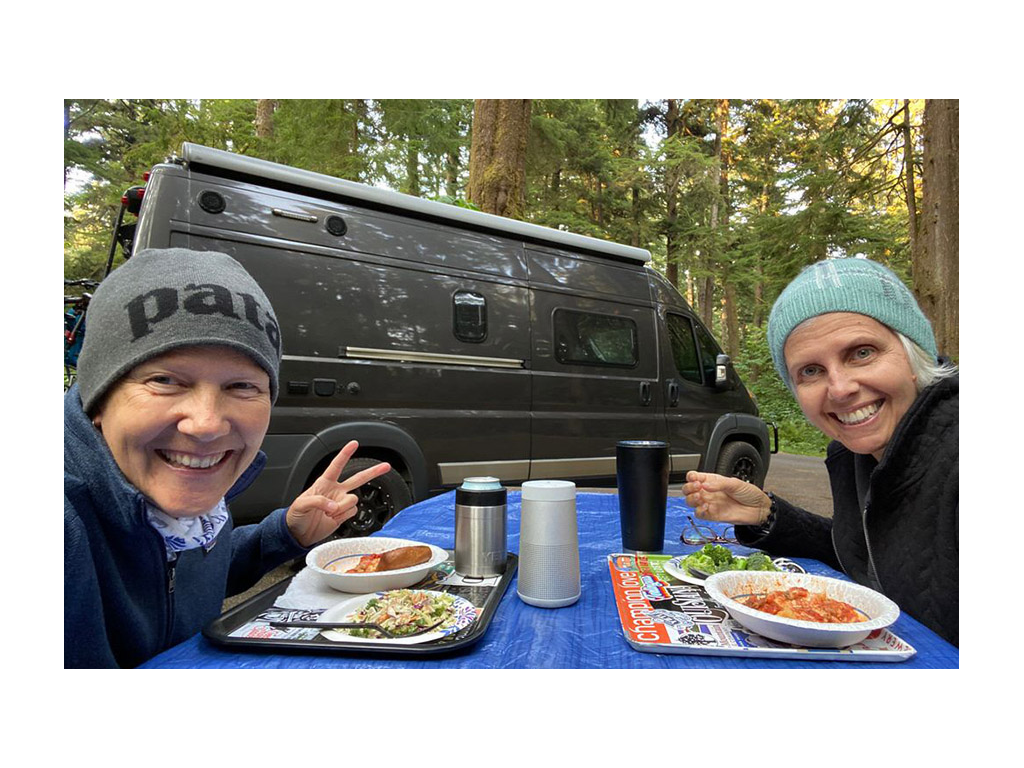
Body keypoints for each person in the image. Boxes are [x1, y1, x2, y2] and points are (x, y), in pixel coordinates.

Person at [65, 248, 393, 667]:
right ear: (99, 397)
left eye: (241, 386)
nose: (206, 424)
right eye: (165, 380)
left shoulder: (162, 495)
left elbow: (183, 575)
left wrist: (285, 533)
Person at [682, 258, 958, 646]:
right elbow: (866, 555)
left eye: (861, 352)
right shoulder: (855, 455)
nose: (840, 388)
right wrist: (767, 515)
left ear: (914, 354)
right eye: (810, 371)